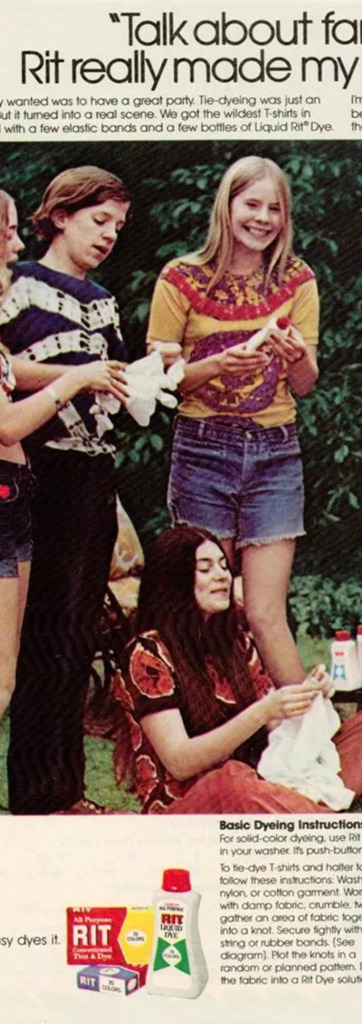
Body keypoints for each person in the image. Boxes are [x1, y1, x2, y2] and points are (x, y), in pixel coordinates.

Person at [146, 156, 318, 692]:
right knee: (202, 607)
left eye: (274, 208)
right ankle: (205, 731)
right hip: (202, 450)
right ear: (227, 205)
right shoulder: (179, 277)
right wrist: (215, 366)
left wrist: (295, 357)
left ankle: (311, 733)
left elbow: (306, 382)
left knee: (266, 614)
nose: (262, 218)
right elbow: (158, 382)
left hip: (275, 453)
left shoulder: (298, 279)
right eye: (252, 205)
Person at [0, 167, 131, 814]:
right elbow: (6, 370)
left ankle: (68, 791)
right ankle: (36, 794)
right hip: (39, 471)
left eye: (118, 227)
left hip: (94, 472)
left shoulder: (104, 300)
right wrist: (77, 375)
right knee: (44, 636)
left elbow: (111, 379)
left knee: (79, 635)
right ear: (59, 215)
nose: (109, 235)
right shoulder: (17, 284)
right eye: (99, 220)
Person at [112, 526, 362, 814]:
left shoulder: (233, 639)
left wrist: (307, 697)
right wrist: (262, 712)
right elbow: (180, 762)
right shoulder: (147, 654)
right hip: (193, 802)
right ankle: (309, 813)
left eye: (224, 566)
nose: (222, 575)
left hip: (263, 780)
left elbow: (276, 730)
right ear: (174, 579)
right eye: (205, 568)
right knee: (232, 781)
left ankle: (293, 809)